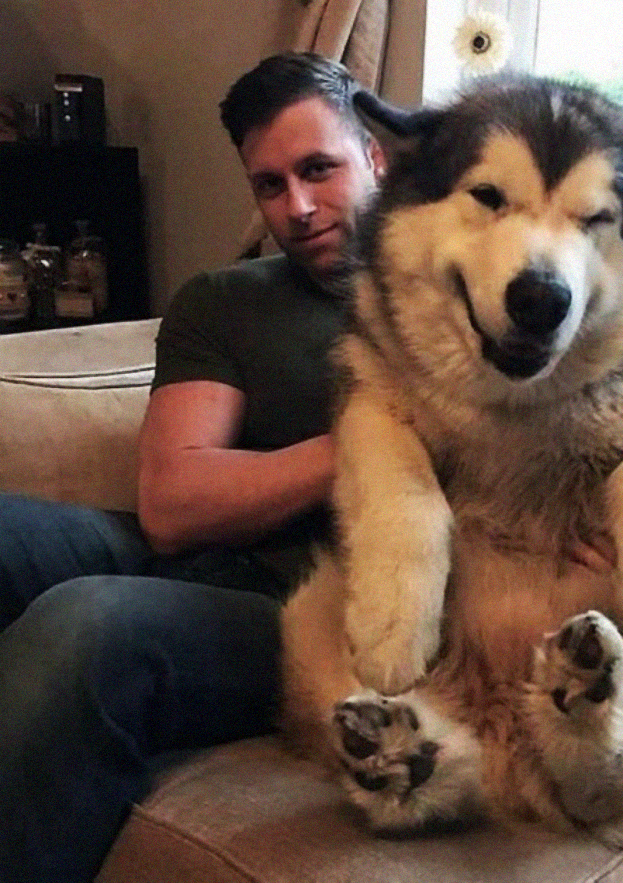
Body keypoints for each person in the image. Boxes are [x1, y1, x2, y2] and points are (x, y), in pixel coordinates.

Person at [0, 51, 384, 883]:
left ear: (377, 154)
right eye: (270, 185)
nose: (299, 207)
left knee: (88, 627)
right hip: (177, 549)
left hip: (305, 607)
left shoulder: (457, 292)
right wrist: (372, 442)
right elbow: (173, 503)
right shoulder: (225, 298)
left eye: (319, 169)